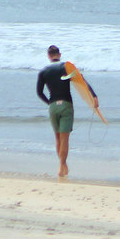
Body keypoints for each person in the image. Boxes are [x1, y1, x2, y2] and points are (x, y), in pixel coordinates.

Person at [36, 45, 97, 178]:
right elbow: (83, 82)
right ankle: (62, 165)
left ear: (48, 56)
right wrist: (94, 96)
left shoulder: (43, 71)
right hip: (66, 105)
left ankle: (62, 165)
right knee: (65, 139)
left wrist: (50, 103)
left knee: (57, 138)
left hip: (53, 107)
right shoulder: (67, 67)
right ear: (60, 54)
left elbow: (39, 93)